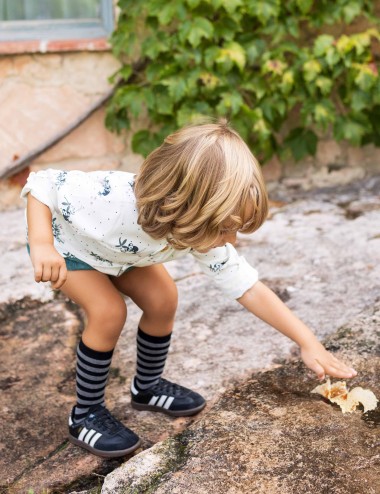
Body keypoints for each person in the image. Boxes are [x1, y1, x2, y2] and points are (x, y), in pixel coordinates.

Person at [21, 119, 357, 459]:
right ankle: (85, 414)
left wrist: (307, 341)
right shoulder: (108, 198)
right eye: (227, 228)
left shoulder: (194, 226)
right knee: (109, 312)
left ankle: (147, 388)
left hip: (121, 254)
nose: (232, 241)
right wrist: (42, 242)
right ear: (188, 207)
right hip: (70, 251)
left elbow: (248, 287)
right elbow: (42, 185)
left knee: (163, 298)